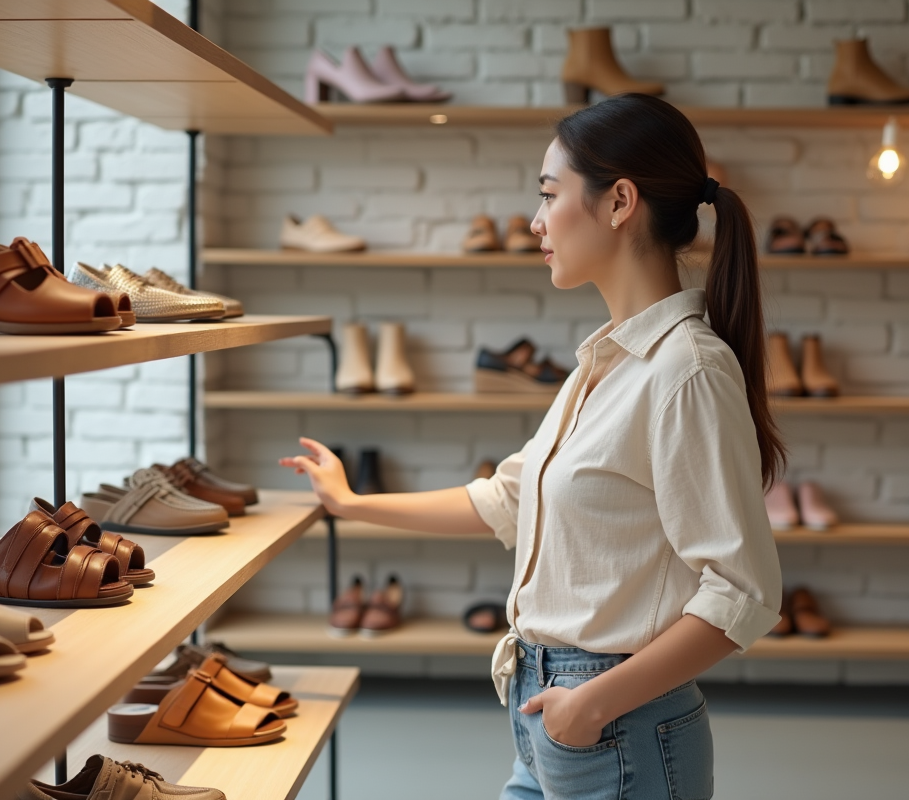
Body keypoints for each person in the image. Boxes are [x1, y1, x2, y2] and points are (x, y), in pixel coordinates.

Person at [281, 93, 784, 800]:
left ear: (619, 203)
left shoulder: (685, 371)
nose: (535, 221)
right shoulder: (602, 365)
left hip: (614, 725)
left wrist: (594, 704)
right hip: (550, 714)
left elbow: (744, 593)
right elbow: (510, 498)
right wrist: (353, 504)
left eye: (549, 195)